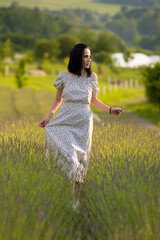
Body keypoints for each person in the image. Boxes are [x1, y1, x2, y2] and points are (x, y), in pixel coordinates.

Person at [39, 43, 123, 208]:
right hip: (64, 121)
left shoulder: (92, 78)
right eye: (85, 56)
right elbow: (58, 99)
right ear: (77, 57)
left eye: (90, 56)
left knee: (81, 161)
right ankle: (70, 201)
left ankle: (75, 200)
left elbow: (93, 100)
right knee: (70, 159)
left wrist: (110, 110)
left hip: (84, 124)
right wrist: (48, 117)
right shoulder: (64, 76)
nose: (89, 59)